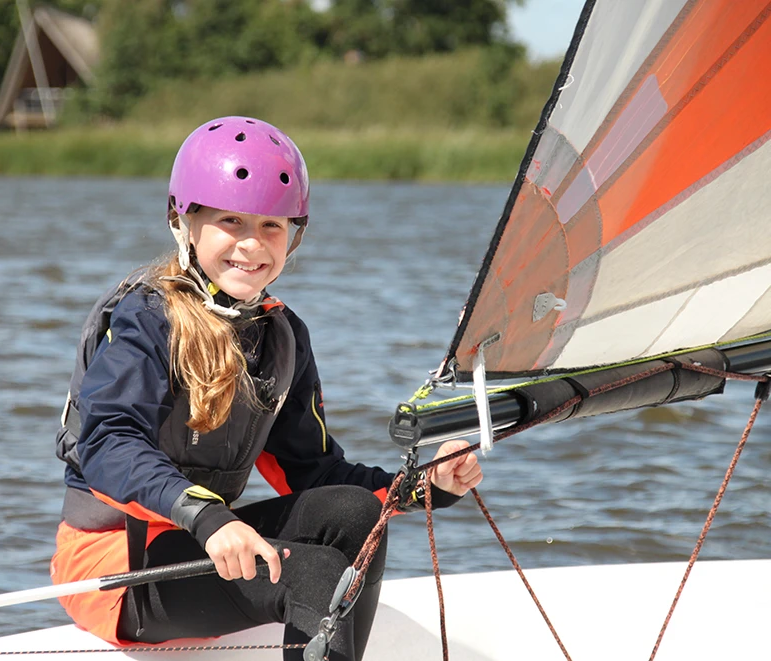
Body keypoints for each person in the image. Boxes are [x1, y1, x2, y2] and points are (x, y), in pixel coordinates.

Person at [49, 116, 483, 660]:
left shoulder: (281, 336)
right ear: (184, 221)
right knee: (317, 574)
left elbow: (316, 473)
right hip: (116, 566)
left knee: (355, 514)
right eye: (232, 220)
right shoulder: (145, 318)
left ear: (294, 234)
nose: (253, 245)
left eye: (273, 226)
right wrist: (208, 519)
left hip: (204, 538)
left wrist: (425, 486)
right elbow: (108, 443)